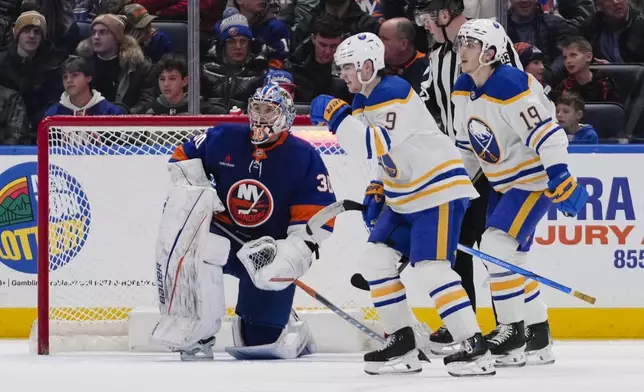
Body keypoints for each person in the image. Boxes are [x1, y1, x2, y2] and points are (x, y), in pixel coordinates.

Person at [310, 32, 494, 377]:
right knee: (375, 261)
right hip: (404, 194)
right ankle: (403, 342)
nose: (343, 74)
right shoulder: (366, 100)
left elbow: (373, 142)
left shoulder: (393, 92)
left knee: (432, 268)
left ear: (368, 66)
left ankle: (473, 346)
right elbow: (386, 154)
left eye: (348, 67)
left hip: (436, 191)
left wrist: (337, 118)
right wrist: (378, 185)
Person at [154, 83, 337, 361]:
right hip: (224, 238)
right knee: (201, 244)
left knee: (257, 344)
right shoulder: (224, 136)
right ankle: (198, 333)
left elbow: (315, 224)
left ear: (286, 116)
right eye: (256, 109)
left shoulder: (304, 156)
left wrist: (287, 257)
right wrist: (202, 193)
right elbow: (180, 159)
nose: (261, 117)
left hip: (267, 253)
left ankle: (292, 327)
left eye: (270, 110)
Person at [451, 18, 588, 367]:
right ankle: (538, 336)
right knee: (511, 258)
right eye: (461, 42)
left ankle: (512, 331)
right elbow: (468, 148)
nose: (461, 50)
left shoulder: (511, 84)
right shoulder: (463, 87)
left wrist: (558, 173)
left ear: (491, 53)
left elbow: (549, 134)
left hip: (532, 181)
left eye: (471, 44)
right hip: (501, 183)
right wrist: (455, 191)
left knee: (497, 246)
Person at [414, 0, 522, 353]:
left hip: (495, 165)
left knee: (496, 246)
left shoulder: (489, 41)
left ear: (445, 15)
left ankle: (519, 327)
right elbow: (427, 103)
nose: (425, 26)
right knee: (457, 245)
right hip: (459, 160)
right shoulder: (439, 55)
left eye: (428, 18)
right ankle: (465, 324)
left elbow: (516, 96)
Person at [147, 54, 227, 115]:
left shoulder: (202, 108)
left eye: (172, 78)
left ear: (184, 81)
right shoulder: (153, 109)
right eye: (162, 79)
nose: (166, 84)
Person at [45, 56, 125, 116]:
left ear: (88, 78)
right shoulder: (52, 114)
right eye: (65, 77)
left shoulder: (111, 112)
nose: (69, 80)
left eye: (75, 75)